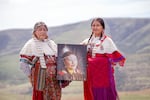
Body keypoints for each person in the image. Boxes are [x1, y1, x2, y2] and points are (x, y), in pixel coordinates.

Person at [81, 18, 126, 100]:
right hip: (90, 75)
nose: (95, 27)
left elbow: (112, 58)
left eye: (98, 25)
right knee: (91, 94)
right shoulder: (86, 41)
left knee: (104, 94)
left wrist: (92, 61)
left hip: (103, 76)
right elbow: (77, 53)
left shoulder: (107, 41)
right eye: (93, 25)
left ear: (103, 28)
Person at [19, 22, 61, 100]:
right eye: (40, 29)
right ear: (35, 32)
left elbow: (60, 58)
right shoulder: (30, 44)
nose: (42, 31)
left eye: (44, 30)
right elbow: (23, 63)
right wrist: (30, 76)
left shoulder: (51, 43)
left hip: (54, 80)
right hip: (40, 78)